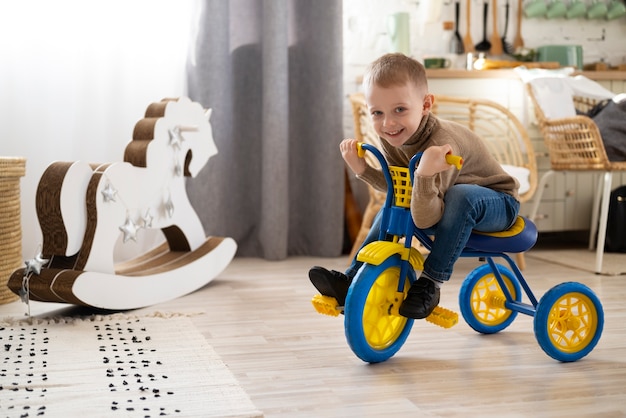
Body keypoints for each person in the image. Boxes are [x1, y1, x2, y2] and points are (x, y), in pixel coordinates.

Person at [309, 53, 520, 319]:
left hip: (497, 203)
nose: (388, 123)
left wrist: (423, 175)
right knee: (388, 212)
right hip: (444, 202)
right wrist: (362, 169)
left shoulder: (441, 146)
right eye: (377, 112)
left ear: (426, 104)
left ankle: (430, 283)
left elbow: (425, 217)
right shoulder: (393, 137)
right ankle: (351, 279)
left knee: (460, 196)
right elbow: (401, 189)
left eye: (400, 110)